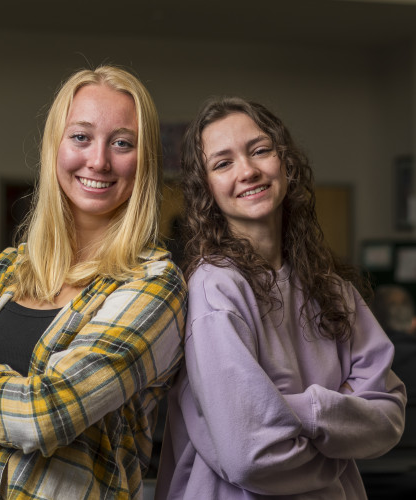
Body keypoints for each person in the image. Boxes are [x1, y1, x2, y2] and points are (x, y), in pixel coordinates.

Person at [0, 65, 187, 500]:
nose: (98, 160)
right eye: (81, 136)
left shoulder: (155, 285)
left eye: (122, 143)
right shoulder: (2, 272)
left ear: (145, 160)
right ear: (55, 147)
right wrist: (8, 424)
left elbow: (47, 415)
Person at [155, 96, 406, 499]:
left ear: (285, 161)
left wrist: (300, 410)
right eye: (223, 163)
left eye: (259, 151)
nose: (248, 171)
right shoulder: (216, 288)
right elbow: (251, 457)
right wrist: (340, 443)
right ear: (206, 189)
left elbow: (389, 418)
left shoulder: (334, 291)